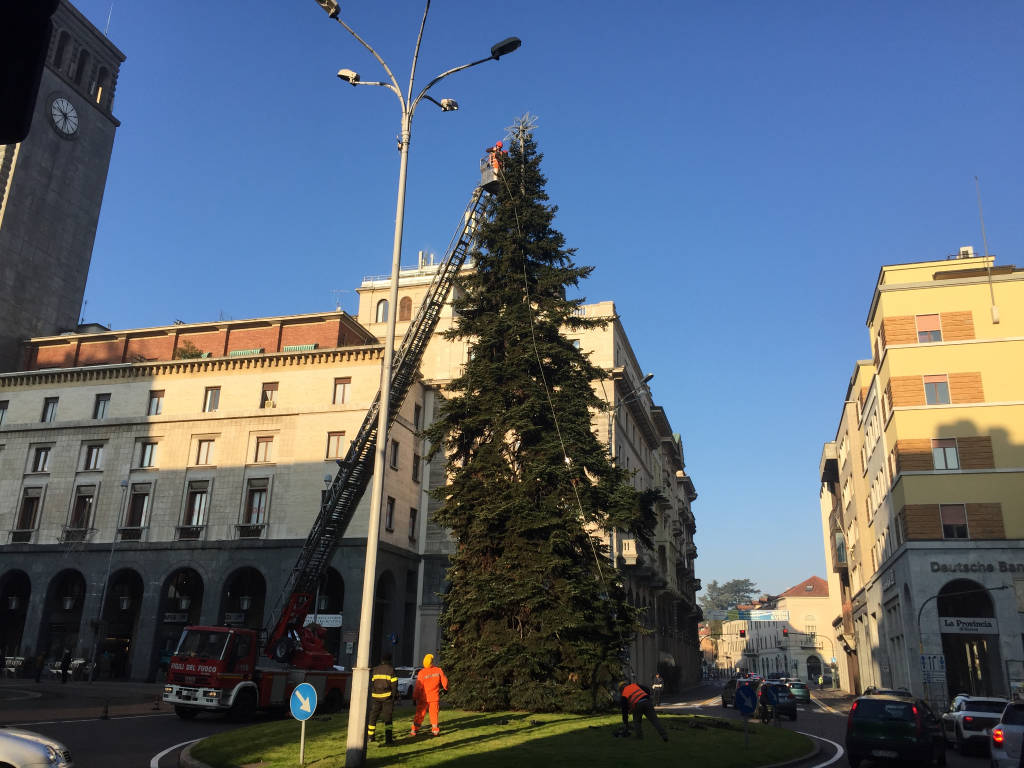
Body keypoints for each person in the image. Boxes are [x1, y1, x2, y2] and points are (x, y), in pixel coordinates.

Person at [411, 653, 448, 737]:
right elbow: (445, 681)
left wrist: (414, 697)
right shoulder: (438, 670)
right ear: (432, 662)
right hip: (434, 697)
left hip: (423, 698)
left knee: (420, 713)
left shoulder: (422, 673)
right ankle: (435, 730)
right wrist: (446, 688)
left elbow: (418, 687)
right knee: (434, 714)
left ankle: (414, 730)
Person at [367, 652, 398, 746]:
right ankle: (388, 739)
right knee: (388, 719)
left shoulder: (375, 670)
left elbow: (372, 683)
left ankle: (370, 737)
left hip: (376, 697)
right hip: (387, 697)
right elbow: (394, 686)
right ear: (390, 660)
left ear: (381, 660)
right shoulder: (391, 670)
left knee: (373, 717)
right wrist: (394, 698)